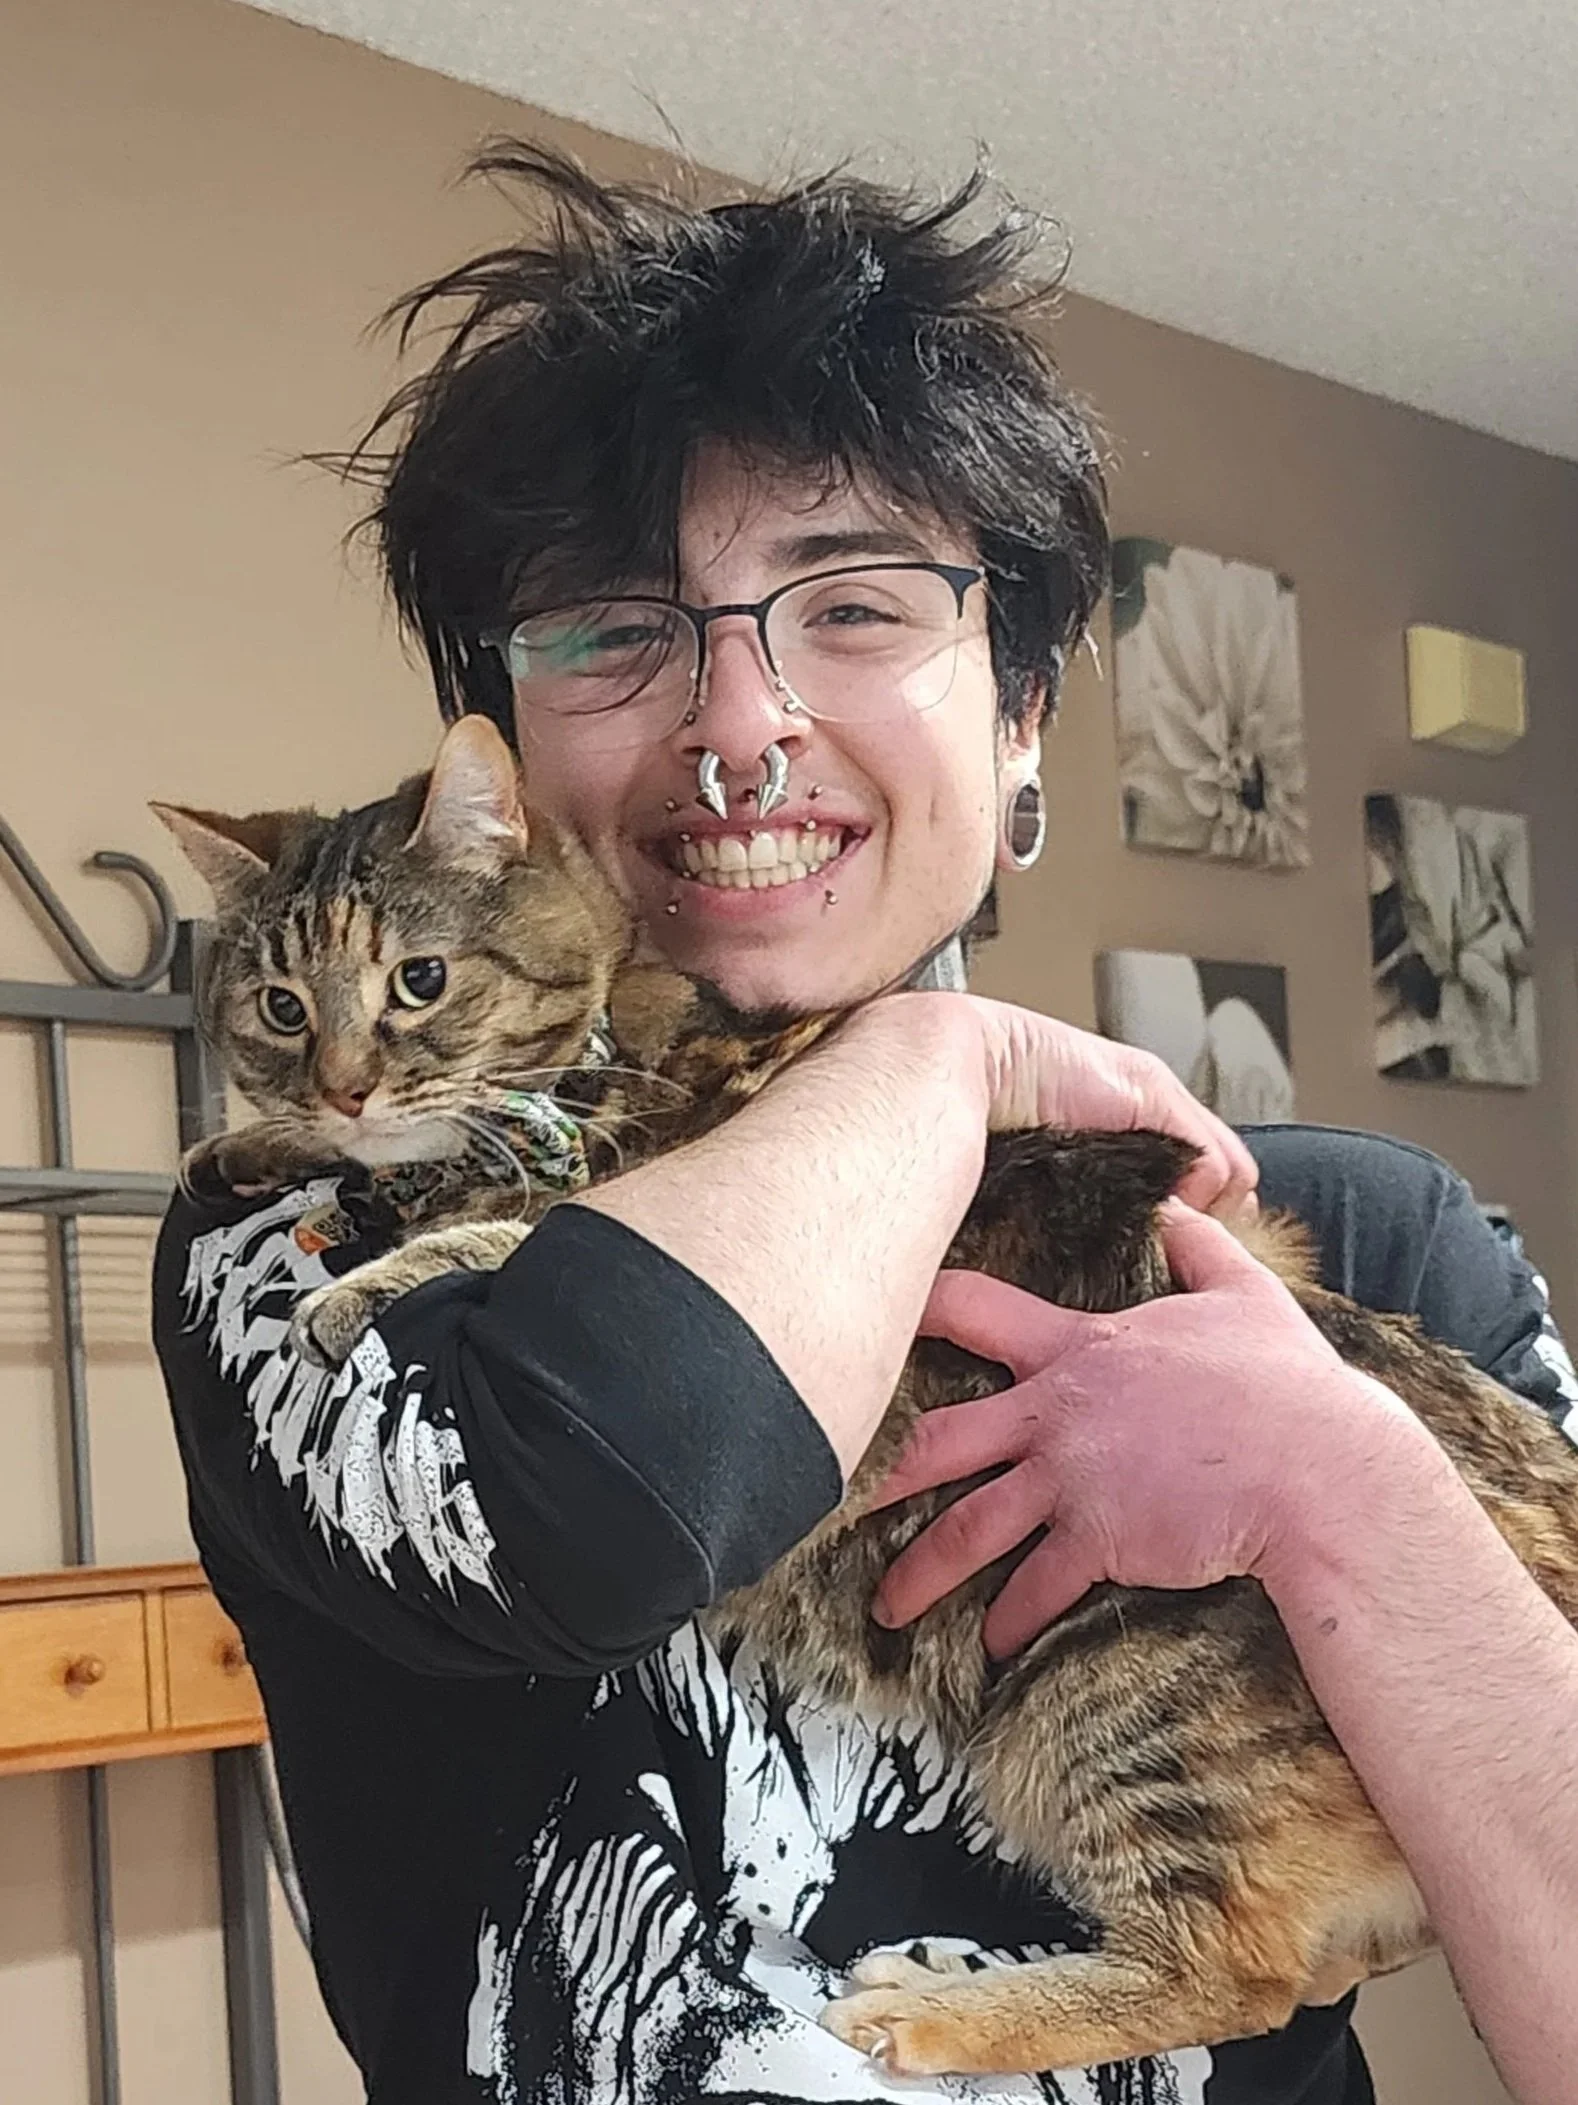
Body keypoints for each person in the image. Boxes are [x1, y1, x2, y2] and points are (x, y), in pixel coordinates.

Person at [153, 145, 1578, 2105]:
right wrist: (929, 1063)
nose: (737, 719)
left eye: (852, 604)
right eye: (613, 627)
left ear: (1020, 713)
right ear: (494, 751)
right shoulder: (301, 1227)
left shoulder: (1350, 1235)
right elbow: (609, 1493)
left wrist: (1342, 1479)